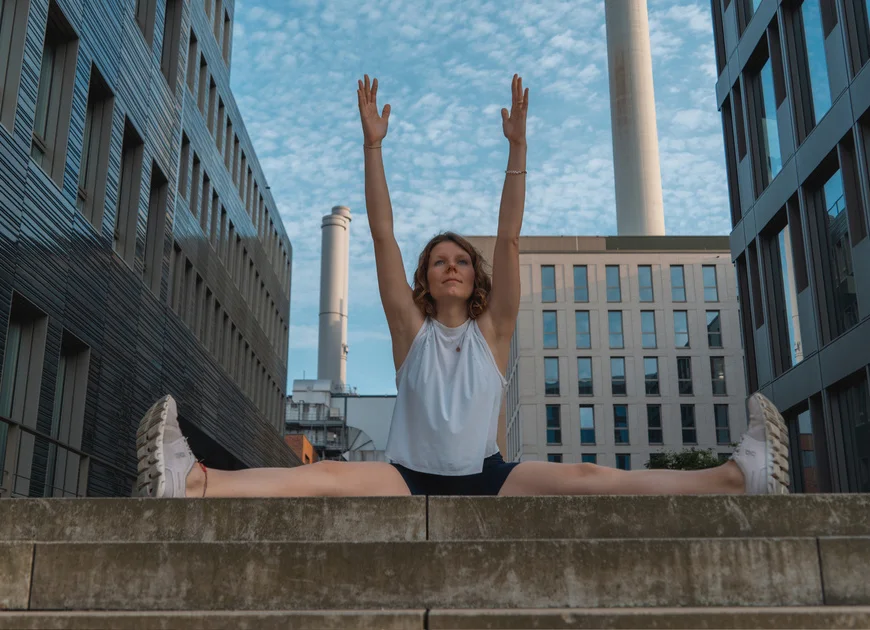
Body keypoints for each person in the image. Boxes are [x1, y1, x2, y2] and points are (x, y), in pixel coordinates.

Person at [136, 74, 790, 499]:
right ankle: (190, 480)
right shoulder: (409, 332)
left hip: (487, 477)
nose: (452, 265)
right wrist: (373, 148)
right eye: (440, 261)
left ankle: (738, 477)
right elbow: (384, 235)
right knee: (328, 473)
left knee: (590, 474)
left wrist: (516, 150)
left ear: (475, 279)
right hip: (408, 478)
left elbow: (509, 238)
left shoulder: (493, 332)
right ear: (425, 280)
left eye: (462, 260)